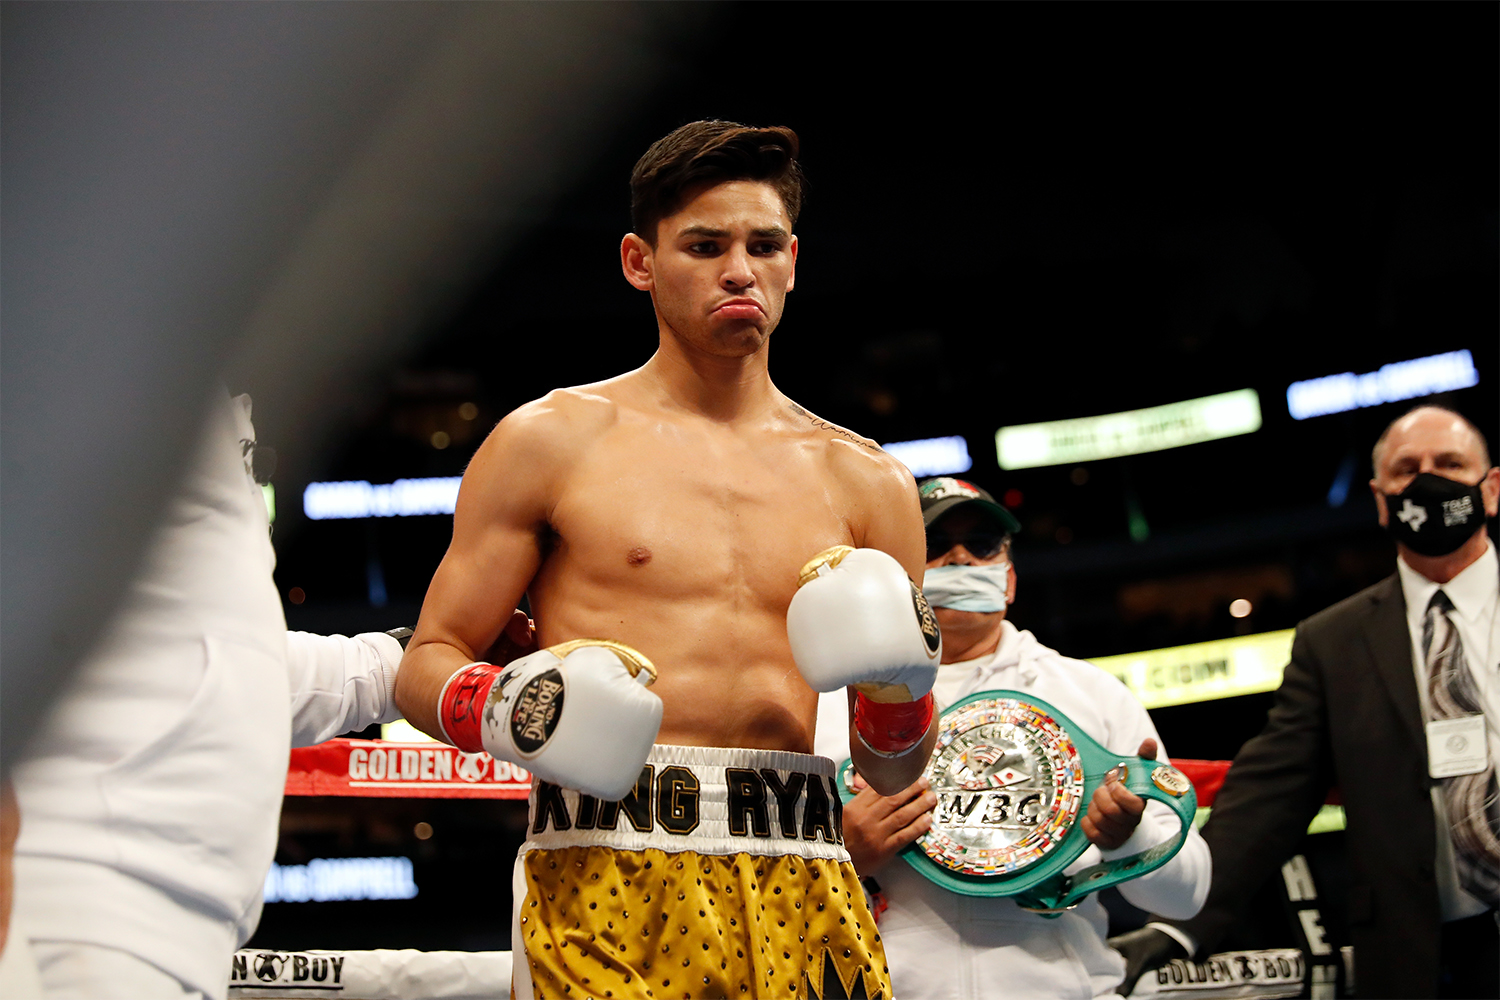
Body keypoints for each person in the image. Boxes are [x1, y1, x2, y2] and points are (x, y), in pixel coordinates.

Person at [392, 120, 940, 1000]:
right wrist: (514, 708)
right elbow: (426, 661)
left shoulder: (871, 481)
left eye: (763, 245)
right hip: (606, 863)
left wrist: (895, 696)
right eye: (705, 245)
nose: (739, 269)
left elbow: (895, 767)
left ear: (792, 261)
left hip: (804, 867)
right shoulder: (549, 443)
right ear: (639, 262)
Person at [7, 390, 409, 1000]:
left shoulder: (191, 372)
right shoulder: (92, 332)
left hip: (167, 932)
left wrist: (401, 668)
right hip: (73, 915)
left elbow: (212, 651)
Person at [1114, 405, 1499, 999]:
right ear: (1379, 498)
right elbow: (1269, 794)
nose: (1428, 479)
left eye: (1450, 463)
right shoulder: (1335, 642)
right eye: (1407, 469)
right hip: (1422, 952)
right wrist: (1177, 928)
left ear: (1490, 488)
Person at [816, 476, 1210, 1000]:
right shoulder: (833, 709)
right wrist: (841, 857)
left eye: (982, 545)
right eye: (935, 546)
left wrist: (1129, 839)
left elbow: (1190, 894)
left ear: (1009, 579)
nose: (962, 560)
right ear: (900, 574)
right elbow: (772, 894)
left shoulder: (1088, 694)